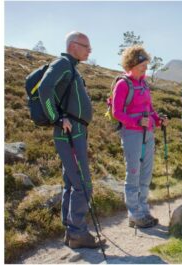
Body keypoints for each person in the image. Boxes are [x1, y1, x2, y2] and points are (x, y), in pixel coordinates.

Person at [36, 31, 102, 248]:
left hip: (76, 132)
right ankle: (77, 233)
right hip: (71, 133)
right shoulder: (63, 64)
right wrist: (56, 118)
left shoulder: (70, 67)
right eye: (86, 46)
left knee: (72, 181)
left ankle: (71, 231)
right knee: (83, 183)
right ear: (74, 46)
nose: (90, 50)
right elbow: (45, 89)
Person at [111, 45, 162, 228]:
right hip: (132, 134)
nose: (145, 68)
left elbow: (149, 108)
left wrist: (157, 119)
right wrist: (136, 121)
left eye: (146, 65)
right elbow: (117, 112)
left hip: (148, 134)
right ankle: (134, 213)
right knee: (133, 173)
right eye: (142, 65)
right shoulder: (123, 84)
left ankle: (143, 210)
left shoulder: (144, 84)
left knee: (145, 174)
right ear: (132, 64)